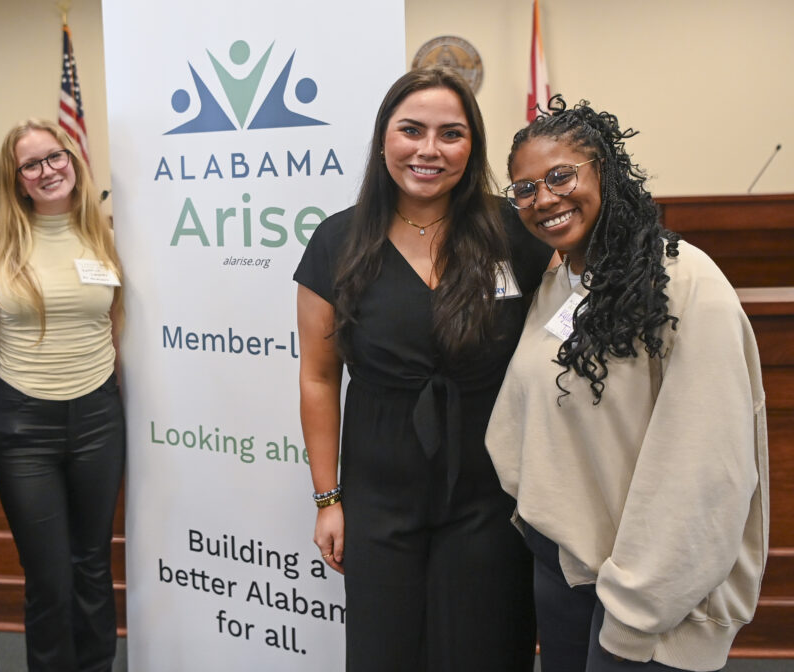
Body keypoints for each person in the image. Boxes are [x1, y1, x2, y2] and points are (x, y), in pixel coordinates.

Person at [486, 96, 769, 672]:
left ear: (605, 171)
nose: (544, 199)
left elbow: (704, 471)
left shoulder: (686, 283)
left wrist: (639, 605)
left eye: (560, 175)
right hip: (567, 570)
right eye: (525, 189)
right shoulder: (560, 280)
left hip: (649, 597)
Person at [293, 66, 549, 671]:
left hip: (493, 491)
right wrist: (328, 498)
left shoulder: (514, 232)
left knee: (486, 647)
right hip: (379, 492)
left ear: (473, 146)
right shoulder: (338, 241)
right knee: (388, 651)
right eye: (412, 130)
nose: (429, 150)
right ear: (384, 139)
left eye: (450, 134)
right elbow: (319, 376)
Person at [0, 118, 125, 672]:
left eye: (56, 157)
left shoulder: (105, 232)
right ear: (17, 179)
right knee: (48, 576)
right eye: (31, 164)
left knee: (93, 564)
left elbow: (117, 322)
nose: (48, 171)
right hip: (24, 425)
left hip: (97, 415)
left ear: (73, 160)